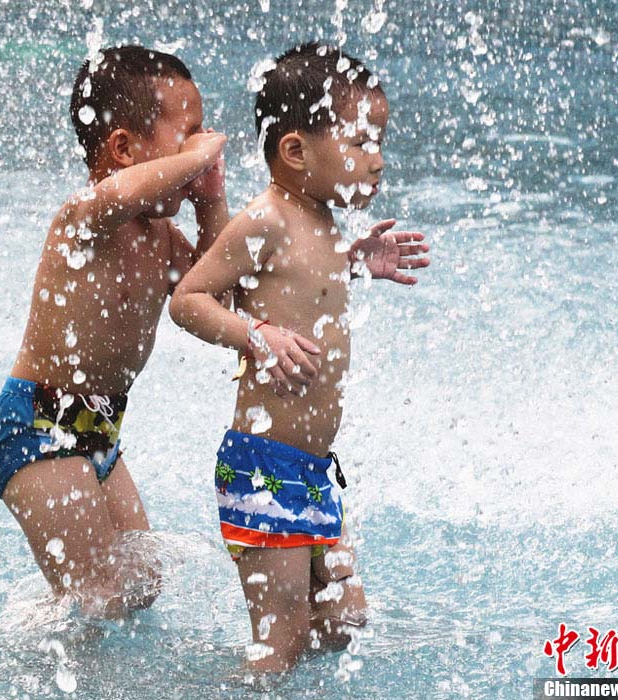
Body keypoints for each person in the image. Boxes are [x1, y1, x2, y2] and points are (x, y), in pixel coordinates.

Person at [169, 42, 430, 672]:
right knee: (278, 641)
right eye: (362, 142)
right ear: (294, 150)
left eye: (380, 141)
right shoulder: (265, 220)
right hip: (264, 465)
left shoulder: (321, 222)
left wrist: (352, 264)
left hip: (314, 467)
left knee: (343, 620)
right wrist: (257, 334)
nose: (378, 159)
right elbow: (189, 299)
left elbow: (298, 284)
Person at [0, 45, 228, 617]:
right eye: (186, 134)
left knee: (140, 588)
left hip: (97, 430)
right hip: (36, 425)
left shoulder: (163, 240)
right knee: (100, 602)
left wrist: (211, 196)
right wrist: (204, 152)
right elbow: (123, 193)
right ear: (122, 147)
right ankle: (34, 660)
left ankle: (37, 624)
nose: (200, 145)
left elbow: (216, 291)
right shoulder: (84, 218)